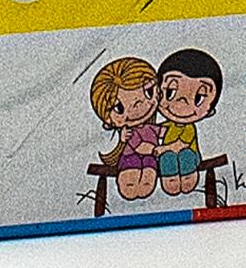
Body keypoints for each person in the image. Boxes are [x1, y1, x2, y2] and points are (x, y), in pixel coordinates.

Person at [153, 47, 223, 196]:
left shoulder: (189, 128)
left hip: (190, 157)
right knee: (167, 158)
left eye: (198, 98)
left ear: (210, 111)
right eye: (170, 92)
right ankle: (170, 179)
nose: (182, 102)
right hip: (170, 158)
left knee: (184, 155)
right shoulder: (167, 125)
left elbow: (181, 145)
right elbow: (154, 132)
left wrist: (162, 149)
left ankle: (186, 178)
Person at [90, 56, 162, 201]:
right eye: (119, 108)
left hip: (150, 160)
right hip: (131, 158)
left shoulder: (152, 127)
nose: (138, 106)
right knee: (129, 183)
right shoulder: (129, 132)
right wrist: (158, 150)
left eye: (148, 92)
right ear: (108, 120)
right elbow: (139, 146)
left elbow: (165, 132)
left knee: (147, 181)